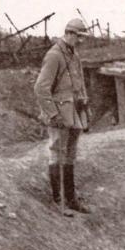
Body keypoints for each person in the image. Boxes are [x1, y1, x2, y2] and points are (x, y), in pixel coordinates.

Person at [34, 18, 91, 214]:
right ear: (70, 33)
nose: (82, 42)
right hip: (59, 113)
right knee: (57, 151)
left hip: (74, 111)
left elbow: (79, 83)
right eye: (80, 37)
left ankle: (71, 197)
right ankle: (59, 200)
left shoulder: (74, 56)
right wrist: (52, 114)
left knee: (70, 154)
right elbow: (41, 88)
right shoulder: (54, 55)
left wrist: (85, 106)